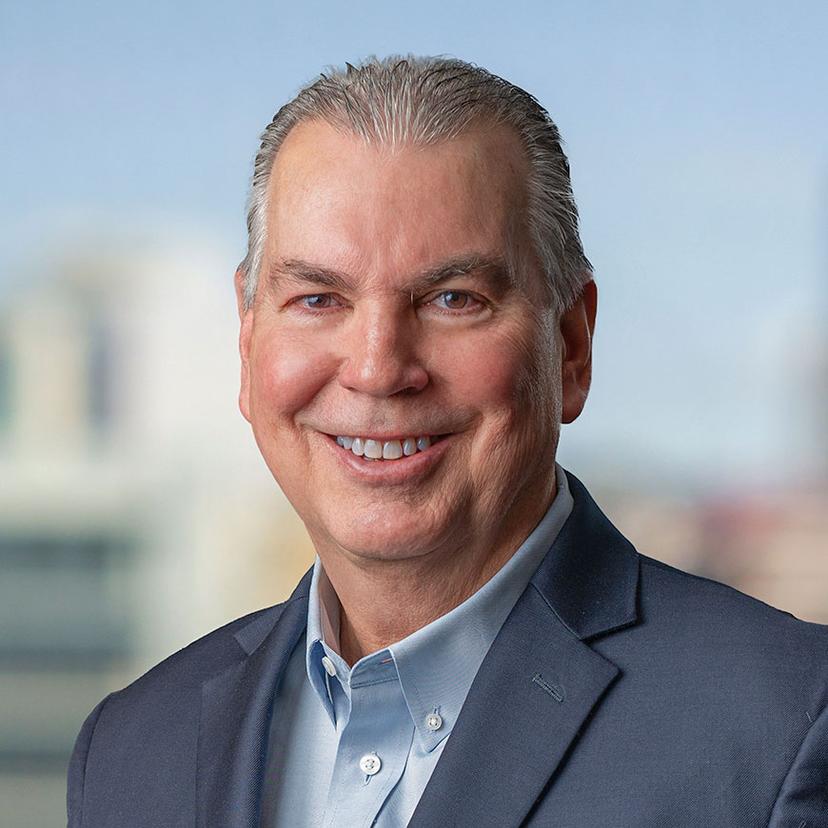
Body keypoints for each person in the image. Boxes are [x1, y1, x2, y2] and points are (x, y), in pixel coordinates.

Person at [67, 56, 828, 827]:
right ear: (246, 338)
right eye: (318, 297)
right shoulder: (130, 750)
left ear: (571, 345)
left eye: (452, 299)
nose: (376, 369)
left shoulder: (784, 727)